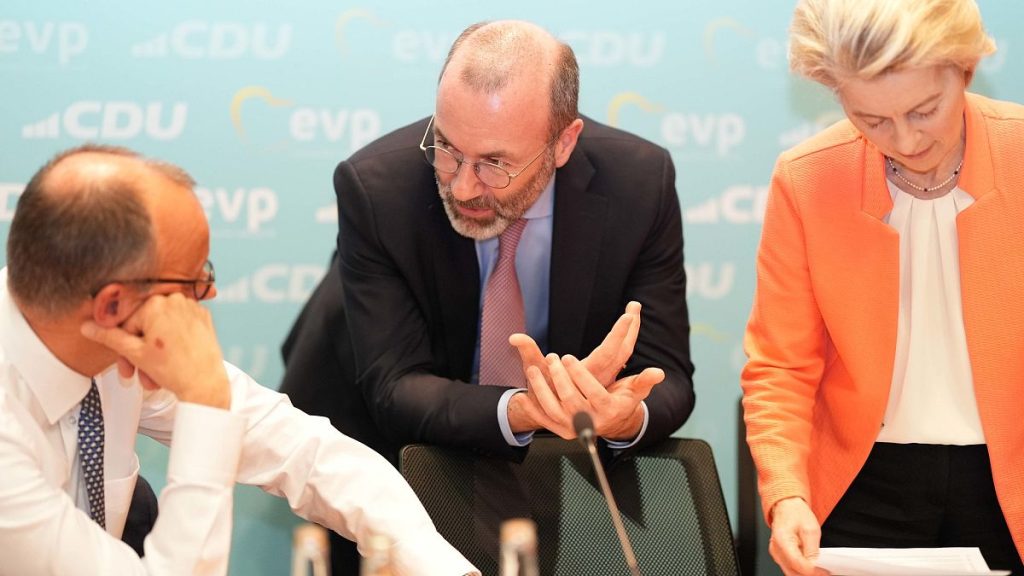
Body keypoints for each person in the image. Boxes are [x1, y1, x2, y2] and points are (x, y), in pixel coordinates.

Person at [281, 19, 694, 574]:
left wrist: (620, 416)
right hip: (387, 448)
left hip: (546, 471)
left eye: (495, 163)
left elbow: (668, 373)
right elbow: (396, 387)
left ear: (563, 142)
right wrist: (525, 409)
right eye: (447, 148)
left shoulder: (637, 183)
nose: (461, 185)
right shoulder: (377, 188)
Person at [0, 144, 478, 576]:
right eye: (192, 282)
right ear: (111, 306)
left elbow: (300, 449)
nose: (210, 293)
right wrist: (204, 404)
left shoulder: (114, 346)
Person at [740, 0, 1024, 574]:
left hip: (1011, 481)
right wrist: (788, 492)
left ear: (964, 71)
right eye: (871, 121)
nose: (906, 139)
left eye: (925, 110)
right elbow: (782, 366)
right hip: (860, 485)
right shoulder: (808, 179)